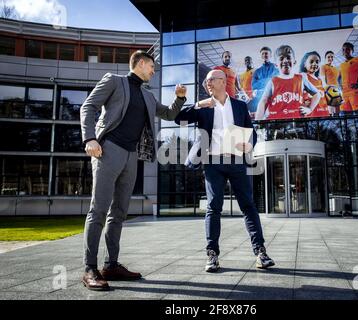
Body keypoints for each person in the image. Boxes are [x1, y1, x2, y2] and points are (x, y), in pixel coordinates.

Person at [79, 51, 187, 291]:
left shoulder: (148, 97)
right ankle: (89, 268)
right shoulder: (114, 81)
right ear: (139, 63)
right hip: (107, 150)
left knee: (119, 212)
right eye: (151, 67)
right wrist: (90, 138)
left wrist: (179, 98)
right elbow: (88, 106)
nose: (153, 71)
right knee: (98, 210)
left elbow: (169, 113)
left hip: (131, 156)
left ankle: (111, 265)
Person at [175, 69, 275, 272]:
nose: (207, 83)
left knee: (248, 206)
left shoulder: (239, 106)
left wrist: (249, 145)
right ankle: (212, 255)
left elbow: (251, 132)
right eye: (206, 81)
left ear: (223, 81)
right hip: (213, 163)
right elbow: (179, 119)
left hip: (237, 162)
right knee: (214, 208)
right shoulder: (204, 106)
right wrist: (197, 104)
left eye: (211, 80)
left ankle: (261, 253)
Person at [255, 45, 321, 120]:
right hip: (276, 124)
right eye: (281, 58)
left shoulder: (301, 78)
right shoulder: (273, 81)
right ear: (276, 64)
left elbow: (317, 94)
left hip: (297, 124)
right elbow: (263, 101)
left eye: (288, 57)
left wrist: (310, 109)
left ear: (294, 61)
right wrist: (258, 122)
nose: (285, 61)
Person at [299, 51, 330, 118]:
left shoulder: (319, 80)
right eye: (311, 61)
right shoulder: (303, 76)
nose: (314, 64)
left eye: (317, 62)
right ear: (304, 64)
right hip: (311, 114)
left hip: (323, 113)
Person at [251, 46, 279, 111]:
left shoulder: (276, 68)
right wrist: (268, 80)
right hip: (259, 100)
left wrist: (260, 82)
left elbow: (276, 82)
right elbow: (254, 85)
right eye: (263, 54)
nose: (264, 55)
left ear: (270, 55)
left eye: (266, 53)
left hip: (274, 99)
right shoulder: (257, 71)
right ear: (261, 56)